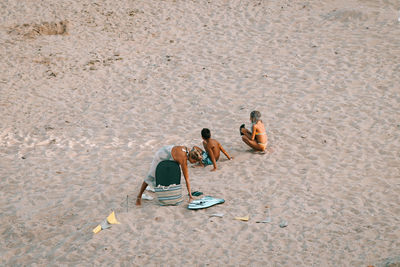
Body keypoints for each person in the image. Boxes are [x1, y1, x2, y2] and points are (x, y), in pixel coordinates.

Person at [136, 145, 202, 206]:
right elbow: (186, 178)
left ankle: (157, 188)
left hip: (167, 150)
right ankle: (139, 197)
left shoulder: (191, 151)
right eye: (194, 161)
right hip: (161, 155)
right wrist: (190, 195)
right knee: (151, 176)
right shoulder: (183, 159)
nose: (194, 163)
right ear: (192, 158)